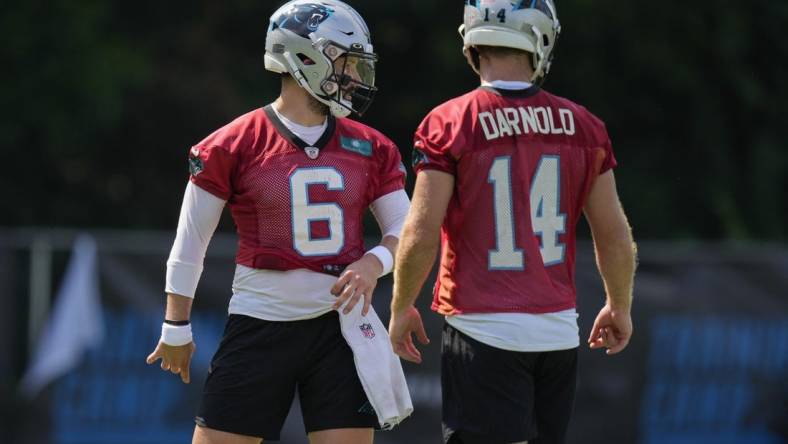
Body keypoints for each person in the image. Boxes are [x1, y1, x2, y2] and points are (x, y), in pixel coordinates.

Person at [144, 1, 411, 443]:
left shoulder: (371, 147)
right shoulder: (234, 144)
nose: (355, 77)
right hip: (260, 321)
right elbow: (191, 241)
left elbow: (407, 230)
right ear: (305, 57)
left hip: (340, 328)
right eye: (345, 63)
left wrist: (373, 263)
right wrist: (176, 324)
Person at [388, 1, 638, 443]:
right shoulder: (584, 126)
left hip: (483, 327)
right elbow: (613, 232)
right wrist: (619, 304)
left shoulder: (450, 122)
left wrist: (401, 303)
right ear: (540, 37)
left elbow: (421, 229)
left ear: (472, 42)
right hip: (558, 330)